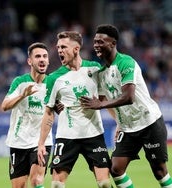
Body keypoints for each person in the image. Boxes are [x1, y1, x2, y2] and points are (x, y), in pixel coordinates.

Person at [80, 24, 172, 188]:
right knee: (116, 168)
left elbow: (128, 97)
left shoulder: (126, 63)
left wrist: (100, 104)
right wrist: (118, 121)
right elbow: (106, 100)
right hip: (128, 128)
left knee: (159, 171)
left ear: (113, 43)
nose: (96, 45)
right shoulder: (101, 73)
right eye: (95, 41)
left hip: (149, 123)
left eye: (101, 41)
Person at [37, 31, 112, 188]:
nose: (59, 50)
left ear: (76, 49)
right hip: (67, 136)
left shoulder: (94, 69)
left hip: (94, 134)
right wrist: (41, 143)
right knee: (57, 185)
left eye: (64, 47)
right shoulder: (54, 78)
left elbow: (104, 100)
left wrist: (118, 122)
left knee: (105, 183)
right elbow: (49, 112)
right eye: (58, 47)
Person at [1, 42, 53, 188]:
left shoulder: (52, 83)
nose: (42, 59)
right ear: (30, 61)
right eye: (37, 56)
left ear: (48, 60)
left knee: (36, 180)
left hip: (41, 142)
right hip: (18, 141)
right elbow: (4, 106)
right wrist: (23, 96)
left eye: (44, 56)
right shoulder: (20, 82)